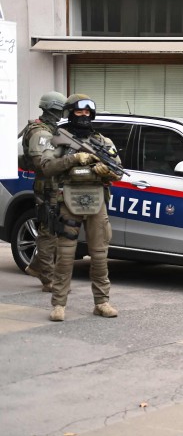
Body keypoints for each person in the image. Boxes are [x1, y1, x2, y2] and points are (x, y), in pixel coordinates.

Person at [40, 95, 122, 322]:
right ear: (70, 113)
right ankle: (58, 304)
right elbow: (46, 167)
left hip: (96, 202)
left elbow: (118, 170)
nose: (84, 115)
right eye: (79, 111)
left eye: (88, 112)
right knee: (65, 256)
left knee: (99, 255)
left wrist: (106, 171)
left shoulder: (102, 142)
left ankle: (102, 302)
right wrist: (74, 158)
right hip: (68, 201)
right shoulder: (59, 139)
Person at [20, 91, 67, 292]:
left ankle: (37, 266)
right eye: (59, 111)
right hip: (48, 188)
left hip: (55, 186)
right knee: (49, 232)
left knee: (55, 231)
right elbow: (42, 164)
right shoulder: (41, 132)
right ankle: (48, 278)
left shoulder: (50, 129)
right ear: (51, 110)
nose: (61, 115)